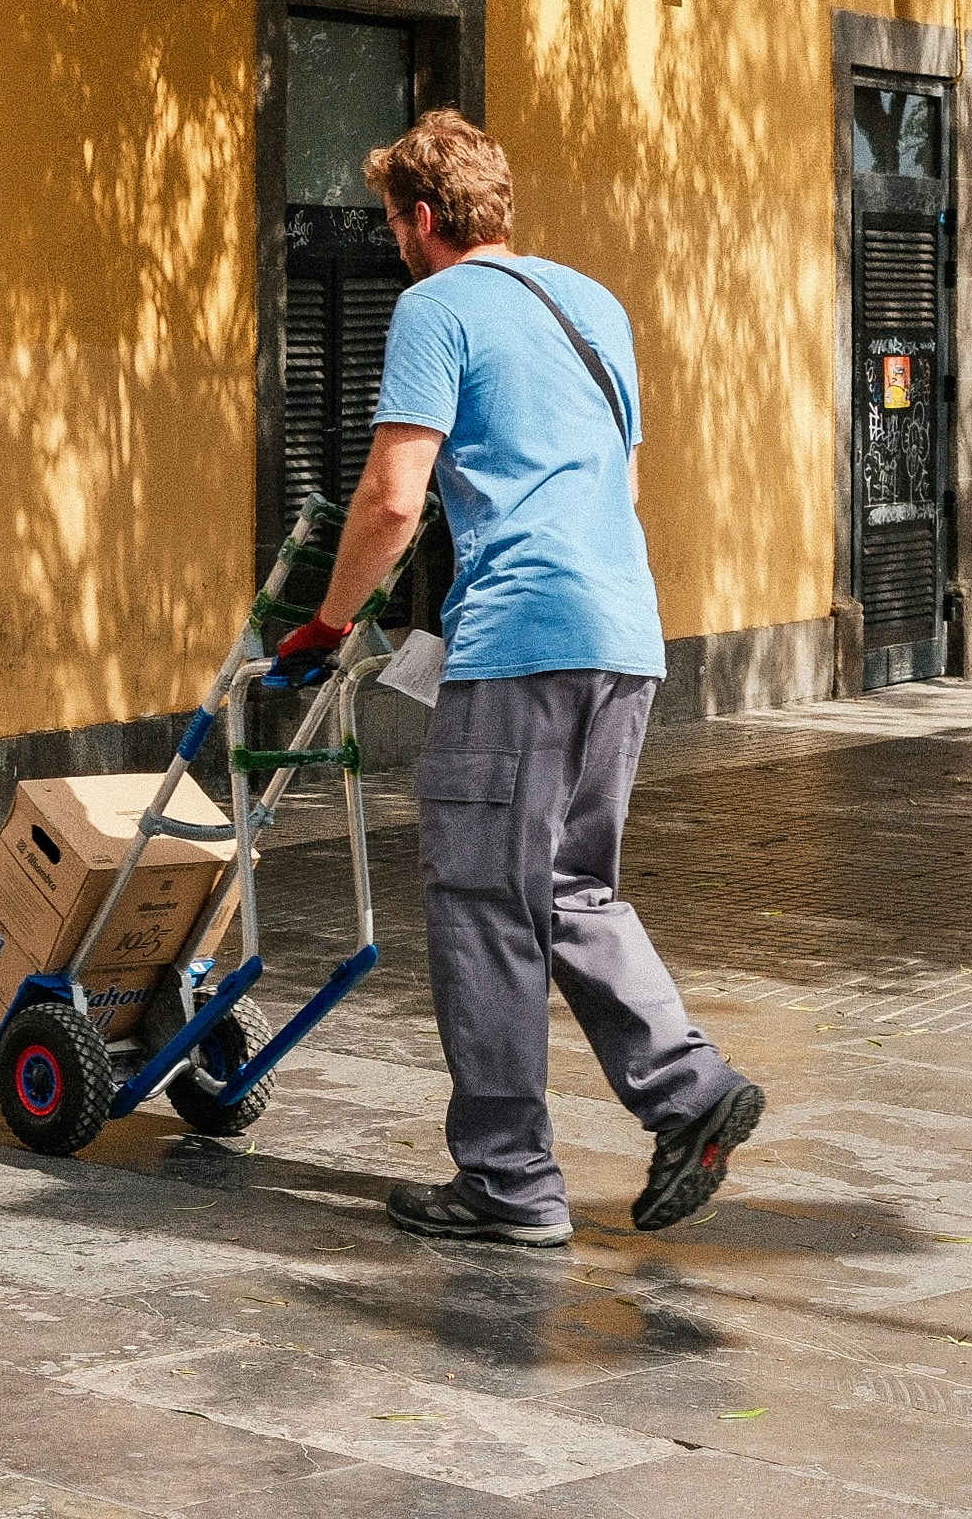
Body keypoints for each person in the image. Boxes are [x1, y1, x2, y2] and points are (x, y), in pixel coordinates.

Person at [273, 110, 761, 1247]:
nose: (394, 242)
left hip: (519, 643)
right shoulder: (593, 304)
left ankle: (506, 1180)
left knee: (484, 903)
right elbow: (623, 492)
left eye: (394, 221)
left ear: (423, 218)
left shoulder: (432, 307)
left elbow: (395, 494)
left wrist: (331, 616)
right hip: (623, 638)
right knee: (569, 888)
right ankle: (688, 1097)